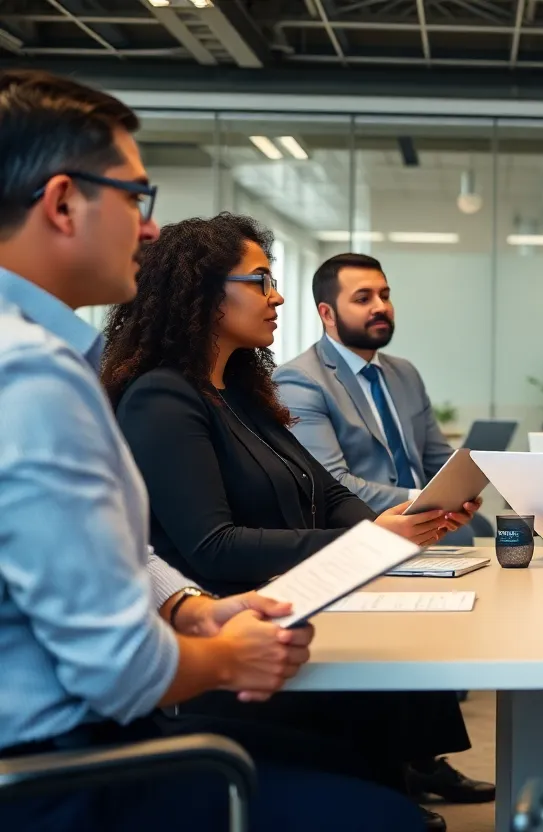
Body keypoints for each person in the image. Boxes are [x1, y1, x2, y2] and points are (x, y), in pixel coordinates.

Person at [0, 68, 423, 831]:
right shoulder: (30, 377)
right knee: (382, 810)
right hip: (62, 772)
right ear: (63, 202)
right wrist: (230, 656)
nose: (150, 227)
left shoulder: (46, 362)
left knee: (358, 757)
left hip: (71, 738)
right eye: (135, 197)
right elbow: (120, 670)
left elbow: (111, 550)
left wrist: (192, 608)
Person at [100, 214, 492, 832]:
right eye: (260, 280)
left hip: (288, 622)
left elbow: (329, 490)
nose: (278, 296)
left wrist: (397, 525)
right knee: (375, 762)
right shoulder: (163, 398)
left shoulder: (238, 392)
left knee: (387, 721)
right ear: (203, 291)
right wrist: (366, 542)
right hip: (230, 647)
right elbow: (215, 548)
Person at [275, 252, 481, 545]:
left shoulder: (405, 373)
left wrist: (461, 494)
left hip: (431, 529)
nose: (381, 307)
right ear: (327, 314)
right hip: (364, 537)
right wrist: (425, 500)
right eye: (363, 299)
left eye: (385, 296)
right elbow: (332, 484)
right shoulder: (299, 380)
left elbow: (438, 460)